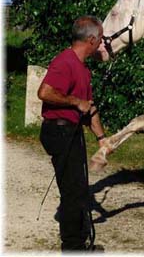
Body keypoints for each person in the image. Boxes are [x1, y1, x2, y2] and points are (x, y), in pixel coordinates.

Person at [38, 15, 107, 252]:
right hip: (58, 132)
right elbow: (45, 92)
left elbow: (90, 108)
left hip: (71, 131)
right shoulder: (65, 62)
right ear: (91, 39)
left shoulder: (83, 69)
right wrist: (75, 101)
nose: (102, 44)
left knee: (77, 188)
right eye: (100, 39)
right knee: (73, 191)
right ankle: (72, 248)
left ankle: (78, 242)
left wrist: (102, 141)